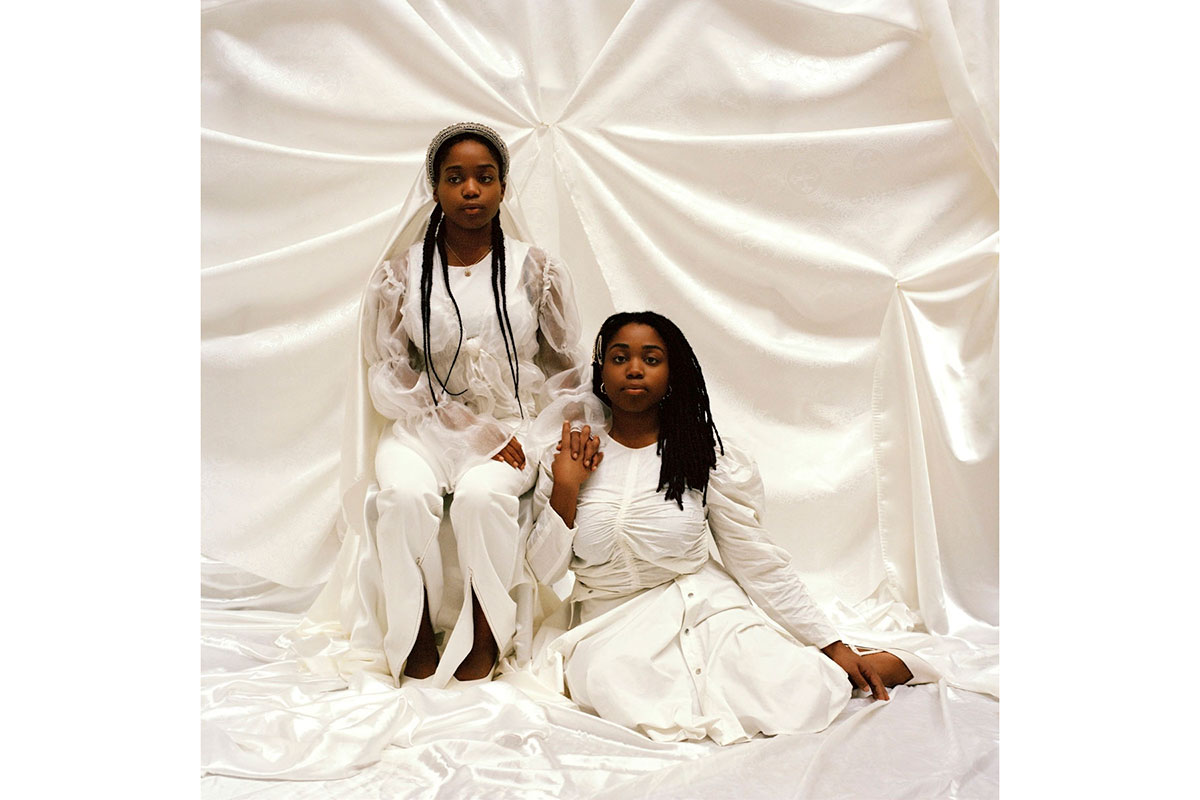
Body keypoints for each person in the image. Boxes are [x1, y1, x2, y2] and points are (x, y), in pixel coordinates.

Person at [522, 311, 936, 744]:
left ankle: (869, 664)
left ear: (671, 373)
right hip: (610, 624)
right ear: (602, 372)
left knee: (786, 689)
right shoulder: (571, 451)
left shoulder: (703, 456)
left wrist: (831, 645)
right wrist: (566, 488)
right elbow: (544, 572)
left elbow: (755, 561)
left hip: (704, 609)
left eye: (651, 358)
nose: (635, 369)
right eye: (620, 357)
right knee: (616, 687)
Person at [288, 122, 603, 688]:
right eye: (455, 179)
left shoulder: (537, 271)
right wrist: (467, 429)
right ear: (435, 189)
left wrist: (558, 434)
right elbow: (389, 372)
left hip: (510, 429)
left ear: (504, 188)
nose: (471, 191)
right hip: (422, 428)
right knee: (405, 497)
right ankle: (410, 636)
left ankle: (486, 634)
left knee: (483, 499)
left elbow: (566, 366)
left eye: (485, 178)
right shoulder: (403, 273)